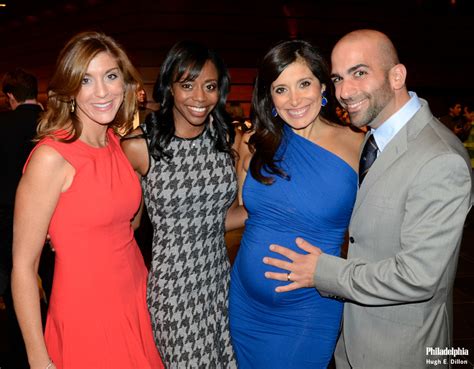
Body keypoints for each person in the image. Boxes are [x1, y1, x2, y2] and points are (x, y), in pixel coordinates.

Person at [263, 29, 473, 369]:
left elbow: (417, 277)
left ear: (397, 75)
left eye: (360, 73)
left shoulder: (439, 158)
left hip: (404, 352)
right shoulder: (371, 141)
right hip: (350, 341)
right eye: (337, 78)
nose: (345, 92)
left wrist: (323, 272)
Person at [11, 31, 164, 369]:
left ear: (123, 83)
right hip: (87, 314)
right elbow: (23, 268)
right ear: (69, 90)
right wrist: (38, 359)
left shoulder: (114, 142)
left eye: (110, 76)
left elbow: (125, 222)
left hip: (136, 298)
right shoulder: (51, 158)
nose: (102, 91)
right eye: (86, 80)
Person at [229, 39, 364, 368]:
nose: (294, 100)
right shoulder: (252, 143)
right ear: (269, 97)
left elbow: (377, 226)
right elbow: (241, 212)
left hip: (310, 305)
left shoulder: (359, 145)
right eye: (281, 89)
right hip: (246, 304)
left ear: (322, 86)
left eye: (304, 83)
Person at [121, 40, 244, 368]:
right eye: (187, 85)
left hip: (221, 283)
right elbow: (123, 222)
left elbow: (220, 218)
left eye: (210, 86)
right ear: (169, 88)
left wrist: (273, 210)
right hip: (174, 293)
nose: (200, 98)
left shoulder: (224, 141)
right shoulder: (139, 146)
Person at [0, 68, 45, 369]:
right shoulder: (52, 124)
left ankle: (20, 349)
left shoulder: (2, 125)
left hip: (7, 220)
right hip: (54, 222)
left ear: (11, 96)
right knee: (54, 284)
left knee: (16, 278)